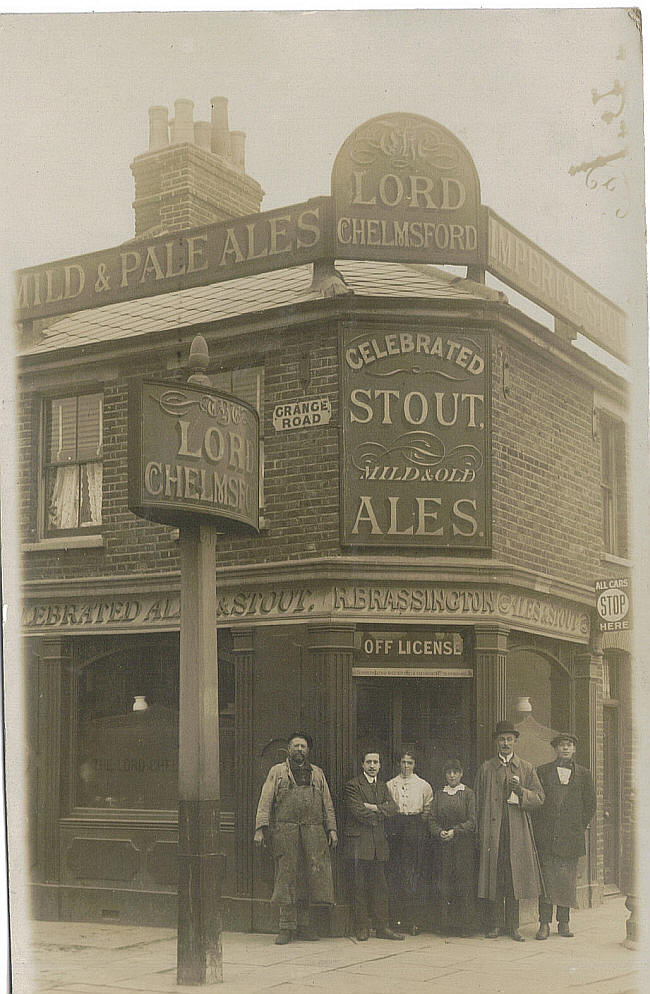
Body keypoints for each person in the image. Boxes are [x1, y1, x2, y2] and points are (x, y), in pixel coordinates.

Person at [254, 732, 338, 945]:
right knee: (286, 879)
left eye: (303, 746)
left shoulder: (317, 773)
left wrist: (331, 829)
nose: (299, 750)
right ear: (288, 749)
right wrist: (260, 829)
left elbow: (327, 803)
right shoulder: (278, 772)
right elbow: (265, 800)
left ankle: (304, 925)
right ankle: (286, 927)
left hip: (313, 834)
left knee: (309, 879)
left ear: (308, 750)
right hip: (286, 833)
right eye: (296, 746)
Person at [474, 720, 545, 941]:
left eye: (509, 739)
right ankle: (495, 925)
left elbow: (540, 798)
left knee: (514, 878)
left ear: (515, 741)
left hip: (516, 833)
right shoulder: (486, 768)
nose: (505, 743)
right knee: (495, 877)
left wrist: (521, 791)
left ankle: (513, 926)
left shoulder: (526, 768)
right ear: (496, 742)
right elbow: (477, 803)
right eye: (502, 739)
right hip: (492, 833)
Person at [533, 733, 596, 939]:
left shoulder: (585, 775)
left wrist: (578, 826)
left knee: (566, 881)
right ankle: (544, 924)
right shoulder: (542, 772)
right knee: (546, 881)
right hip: (547, 837)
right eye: (561, 745)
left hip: (570, 837)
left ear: (574, 749)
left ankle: (564, 923)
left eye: (569, 745)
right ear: (555, 749)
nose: (565, 749)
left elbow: (590, 805)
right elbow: (537, 802)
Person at [343, 749, 405, 942]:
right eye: (368, 762)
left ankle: (382, 927)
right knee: (359, 886)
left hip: (379, 843)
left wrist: (375, 807)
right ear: (362, 764)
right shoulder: (353, 785)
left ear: (380, 765)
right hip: (359, 843)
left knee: (380, 887)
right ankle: (361, 927)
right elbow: (358, 811)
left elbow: (393, 808)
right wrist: (379, 811)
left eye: (375, 762)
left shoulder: (383, 786)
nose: (372, 766)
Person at [385, 750, 433, 935]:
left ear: (415, 765)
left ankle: (414, 921)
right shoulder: (391, 784)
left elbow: (428, 807)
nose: (406, 766)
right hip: (397, 827)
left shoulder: (423, 785)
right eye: (403, 762)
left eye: (410, 763)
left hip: (416, 827)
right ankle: (398, 920)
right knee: (397, 872)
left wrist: (419, 824)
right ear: (399, 764)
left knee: (414, 874)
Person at [428, 759, 476, 936]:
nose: (452, 775)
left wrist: (455, 831)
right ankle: (445, 925)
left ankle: (465, 926)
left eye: (455, 772)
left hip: (463, 845)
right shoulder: (440, 794)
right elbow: (431, 818)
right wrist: (439, 832)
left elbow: (472, 821)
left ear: (461, 774)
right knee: (444, 883)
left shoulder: (468, 794)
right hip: (443, 845)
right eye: (449, 772)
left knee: (463, 884)